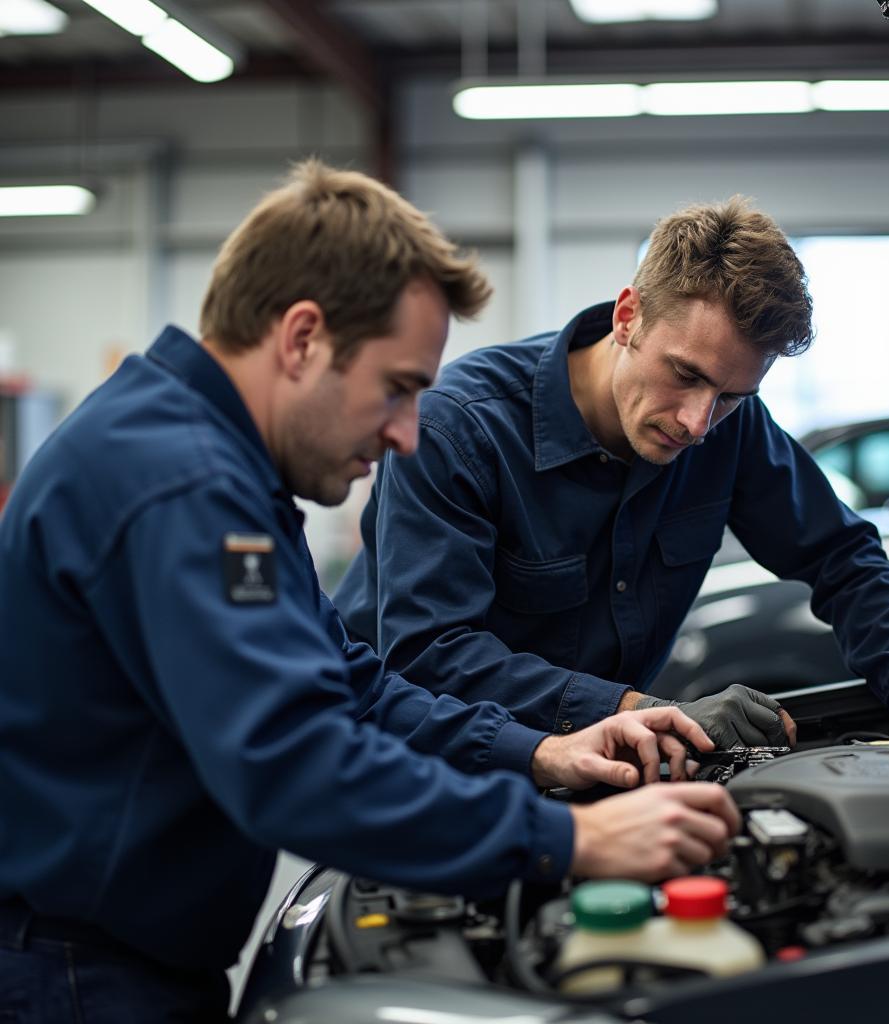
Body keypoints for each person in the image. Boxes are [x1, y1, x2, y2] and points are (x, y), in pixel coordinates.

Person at [0, 162, 742, 1023]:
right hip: (72, 980)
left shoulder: (214, 466)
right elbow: (296, 766)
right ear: (303, 337)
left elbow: (348, 681)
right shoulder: (183, 486)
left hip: (112, 961)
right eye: (397, 388)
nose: (405, 432)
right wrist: (570, 840)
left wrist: (541, 751)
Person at [335, 195, 889, 747]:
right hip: (416, 765)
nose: (698, 423)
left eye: (732, 397)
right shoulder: (458, 429)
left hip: (585, 764)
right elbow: (428, 656)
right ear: (628, 317)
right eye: (685, 375)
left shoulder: (728, 427)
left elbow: (840, 556)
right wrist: (631, 711)